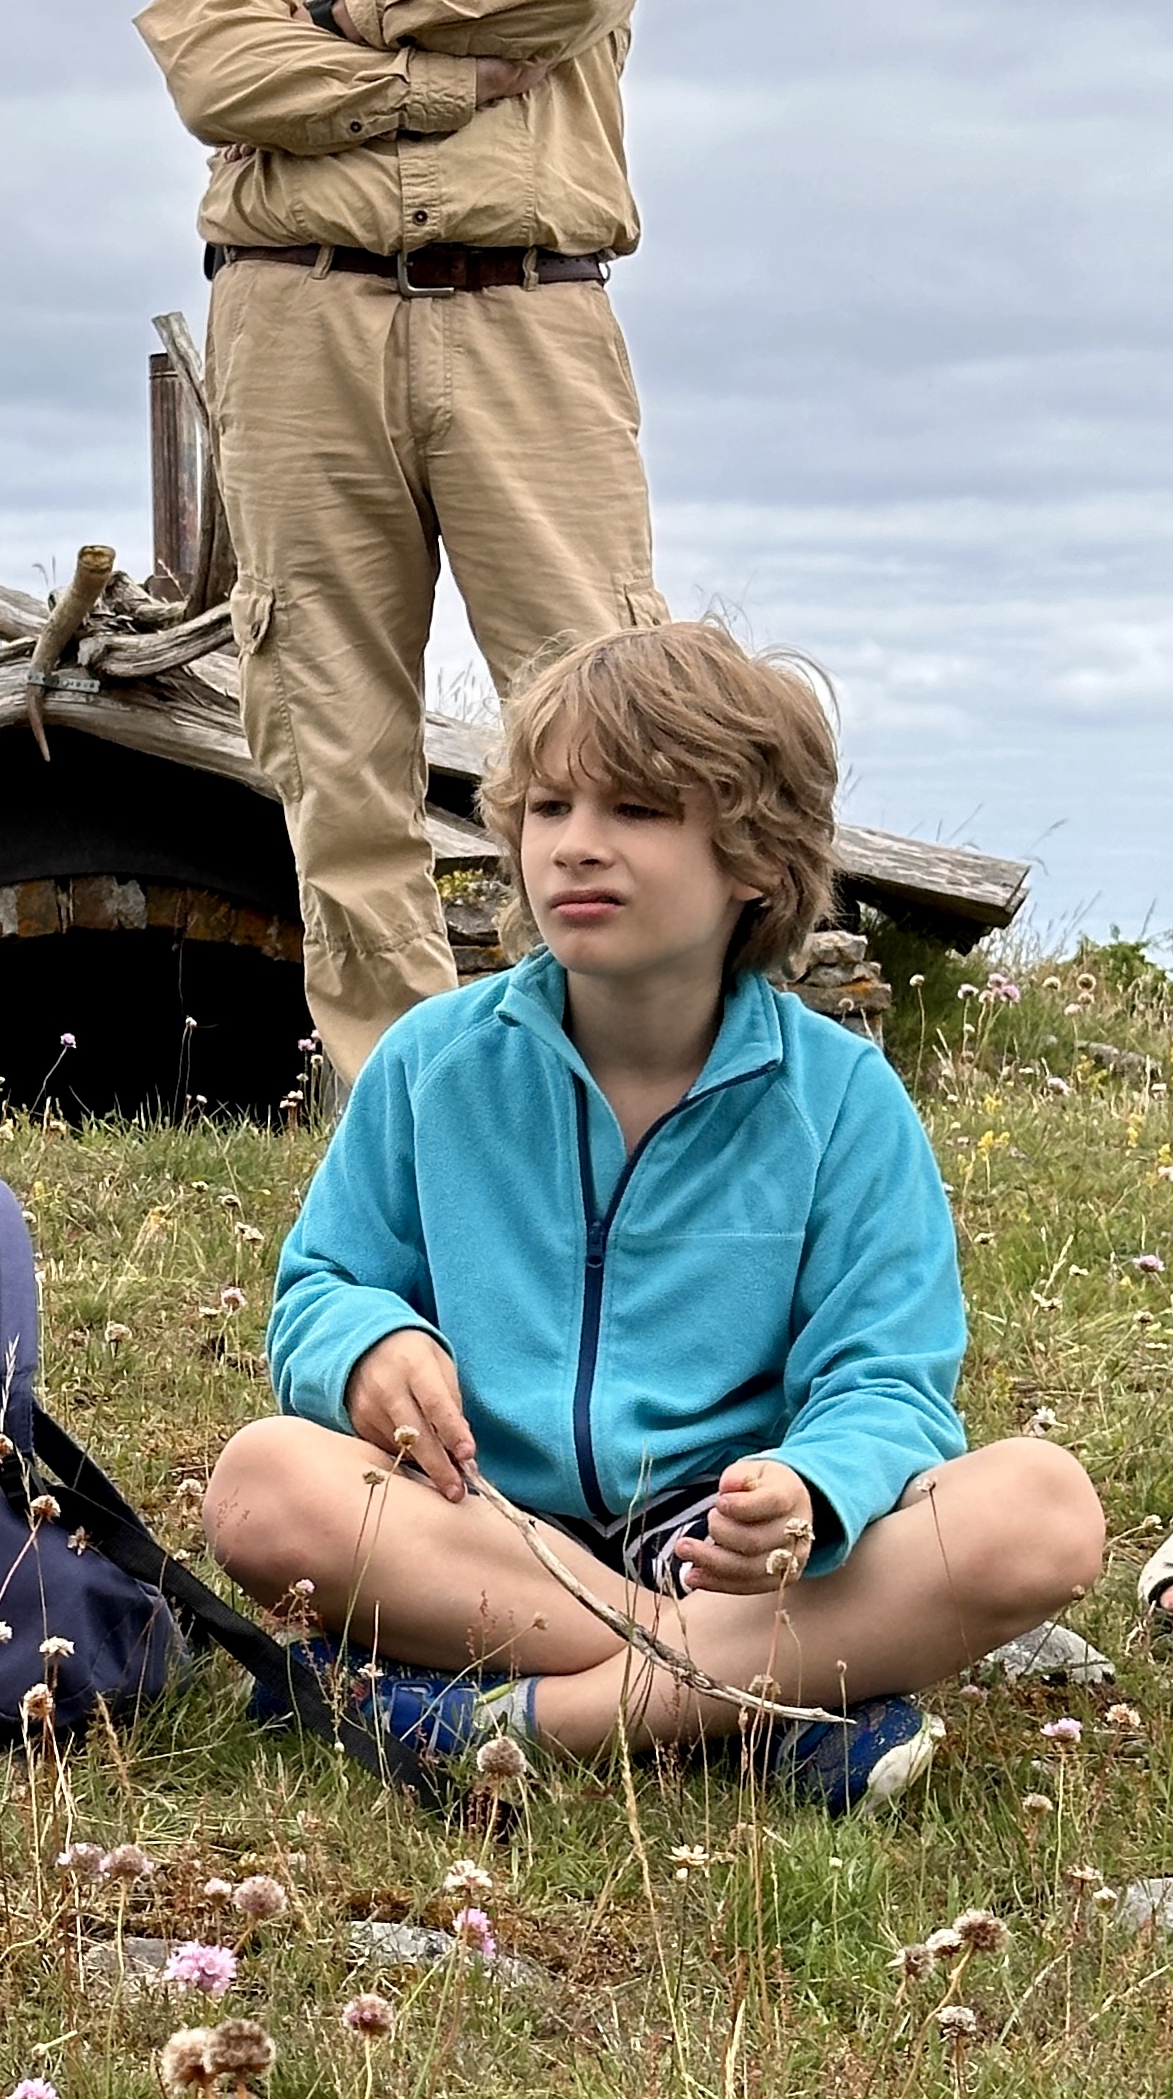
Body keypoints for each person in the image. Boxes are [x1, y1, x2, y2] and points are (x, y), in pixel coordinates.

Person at [202, 619, 1107, 1812]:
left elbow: (886, 1380)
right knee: (260, 1480)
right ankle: (759, 1705)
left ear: (753, 858)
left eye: (634, 811)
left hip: (731, 1549)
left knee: (1043, 1511)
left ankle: (509, 1718)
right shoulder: (434, 1062)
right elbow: (321, 1285)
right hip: (484, 1527)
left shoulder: (842, 1101)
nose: (575, 846)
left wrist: (812, 1491)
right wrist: (369, 1348)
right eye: (549, 808)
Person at [136, 0, 662, 1087]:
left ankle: (626, 1094)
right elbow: (218, 80)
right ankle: (403, 1115)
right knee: (331, 738)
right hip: (296, 331)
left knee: (600, 714)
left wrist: (345, 9)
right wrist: (435, 77)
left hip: (529, 317)